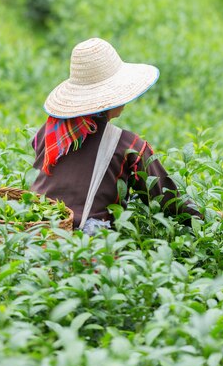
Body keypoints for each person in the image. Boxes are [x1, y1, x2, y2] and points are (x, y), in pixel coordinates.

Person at [31, 37, 203, 234]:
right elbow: (166, 198)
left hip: (36, 230)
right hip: (84, 242)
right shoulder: (128, 145)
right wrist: (205, 216)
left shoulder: (50, 132)